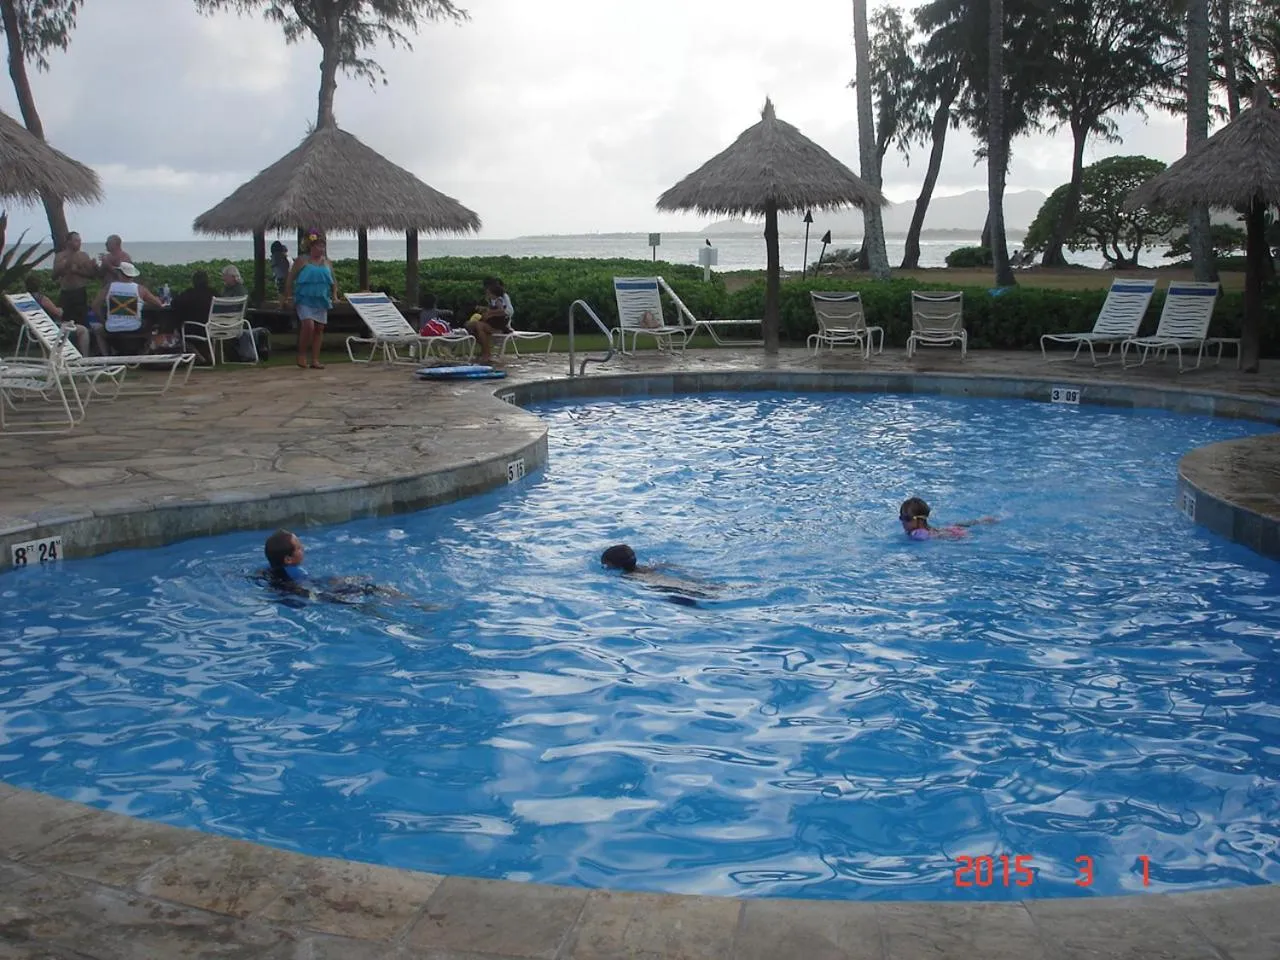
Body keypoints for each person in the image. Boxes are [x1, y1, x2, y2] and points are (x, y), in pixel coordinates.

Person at [261, 529, 426, 607]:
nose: (303, 548)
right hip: (319, 596)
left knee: (362, 596)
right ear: (288, 559)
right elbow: (310, 588)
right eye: (299, 547)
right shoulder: (293, 575)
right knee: (372, 589)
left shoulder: (270, 572)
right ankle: (418, 604)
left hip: (313, 594)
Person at [283, 230, 337, 370]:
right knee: (309, 325)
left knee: (319, 328)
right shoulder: (302, 261)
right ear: (311, 247)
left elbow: (333, 281)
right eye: (318, 246)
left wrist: (335, 295)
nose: (321, 249)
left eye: (322, 246)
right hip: (304, 298)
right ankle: (301, 354)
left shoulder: (327, 262)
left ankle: (315, 359)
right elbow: (290, 278)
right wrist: (288, 296)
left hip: (321, 298)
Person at [600, 543, 717, 606]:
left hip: (675, 590)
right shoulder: (648, 567)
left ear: (612, 565)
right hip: (684, 583)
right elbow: (668, 566)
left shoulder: (628, 578)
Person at [92, 261, 166, 353]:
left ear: (120, 274)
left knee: (99, 332)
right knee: (152, 327)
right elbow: (158, 304)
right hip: (135, 328)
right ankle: (145, 353)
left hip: (111, 328)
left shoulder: (109, 287)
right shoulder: (140, 289)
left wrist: (104, 321)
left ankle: (106, 357)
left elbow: (95, 305)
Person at [50, 231, 99, 341]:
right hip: (66, 293)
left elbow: (91, 275)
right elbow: (53, 276)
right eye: (76, 241)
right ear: (68, 242)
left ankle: (83, 343)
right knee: (65, 322)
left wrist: (79, 271)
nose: (79, 243)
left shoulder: (83, 256)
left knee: (81, 320)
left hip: (80, 292)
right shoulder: (60, 256)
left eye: (79, 241)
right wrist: (63, 267)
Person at [26, 276, 90, 355]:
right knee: (83, 330)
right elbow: (58, 313)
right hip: (49, 330)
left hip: (32, 331)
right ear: (39, 286)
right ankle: (85, 357)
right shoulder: (42, 299)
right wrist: (60, 309)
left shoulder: (25, 300)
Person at [898, 497, 997, 541]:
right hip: (948, 530)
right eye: (901, 517)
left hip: (955, 535)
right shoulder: (924, 530)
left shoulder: (918, 534)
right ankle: (981, 521)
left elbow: (923, 538)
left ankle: (981, 521)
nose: (903, 521)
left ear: (919, 520)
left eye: (906, 518)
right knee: (957, 525)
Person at [465, 277, 514, 365]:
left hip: (499, 324)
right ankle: (485, 350)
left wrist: (490, 312)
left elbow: (506, 311)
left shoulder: (501, 298)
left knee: (479, 326)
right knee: (469, 325)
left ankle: (486, 353)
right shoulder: (492, 299)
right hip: (491, 322)